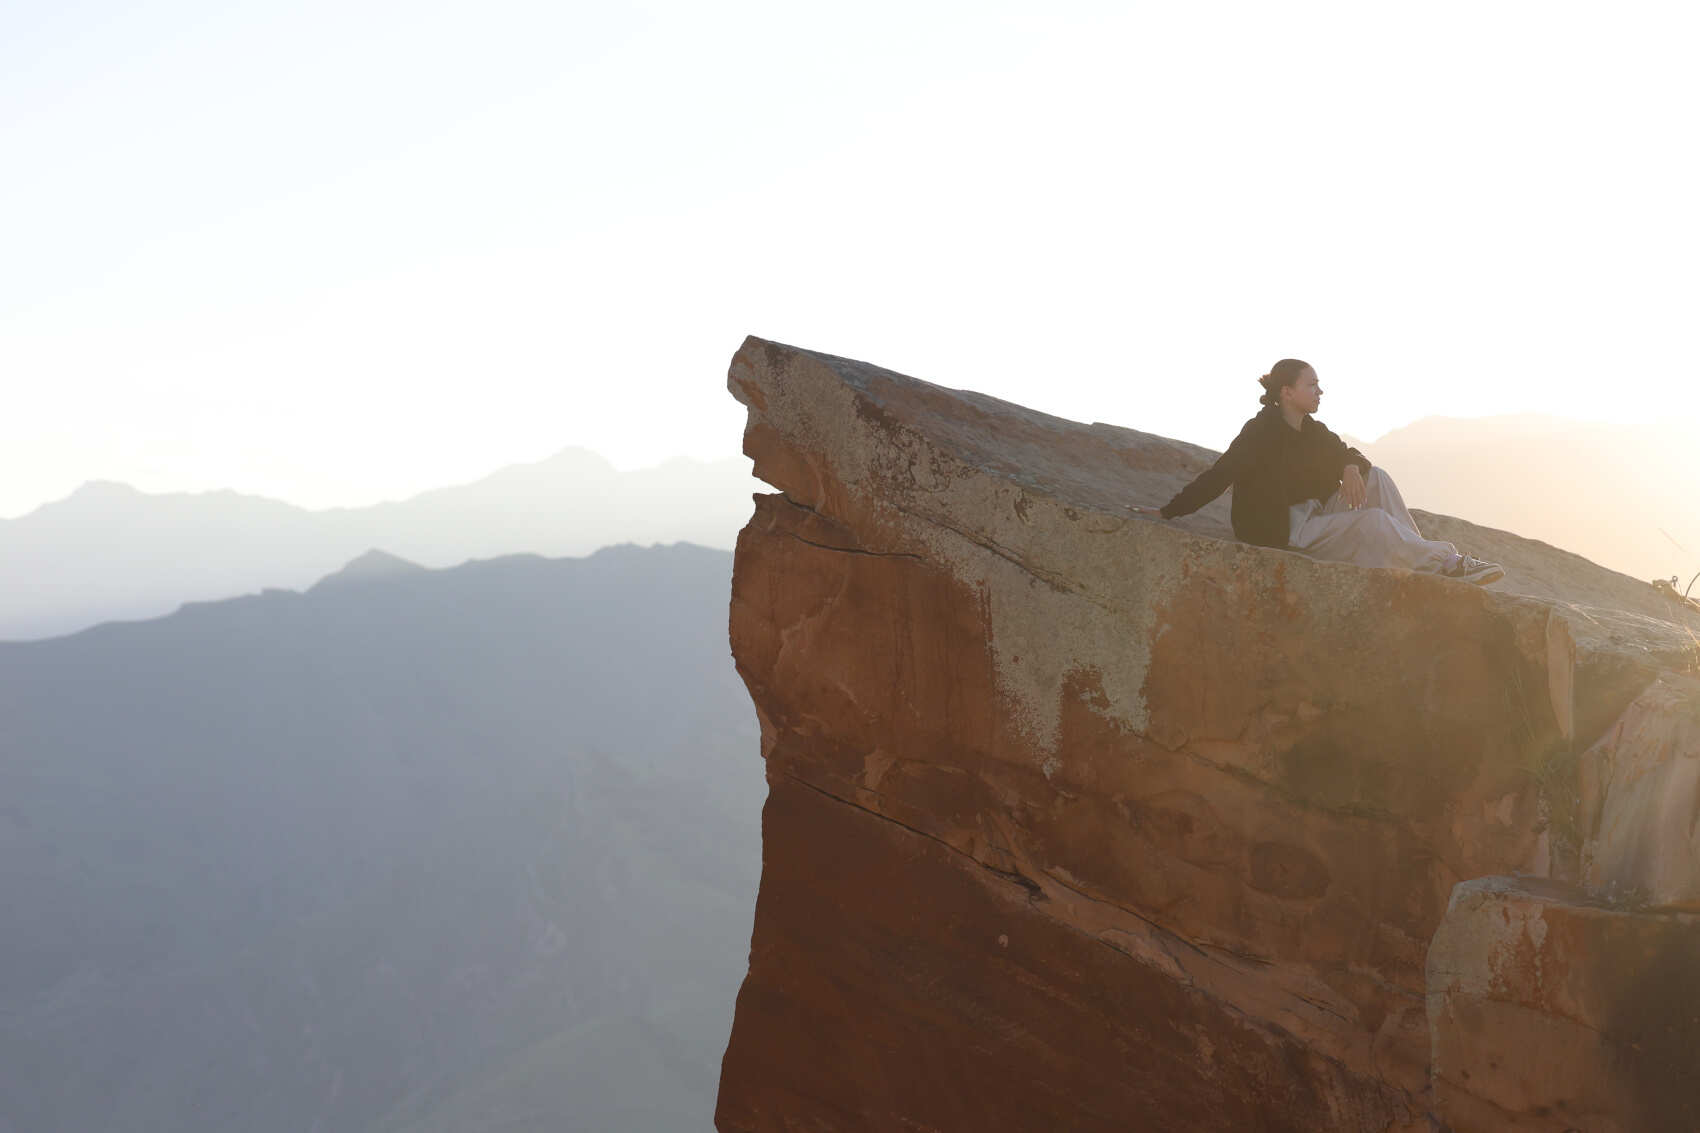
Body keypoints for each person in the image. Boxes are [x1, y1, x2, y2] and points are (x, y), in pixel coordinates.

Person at [1132, 359, 1504, 585]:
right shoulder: (1259, 432)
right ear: (1287, 392)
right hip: (1282, 529)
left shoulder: (1313, 431)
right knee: (1372, 522)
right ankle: (1445, 562)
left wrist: (1349, 467)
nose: (1320, 391)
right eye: (1311, 385)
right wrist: (1169, 511)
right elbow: (1219, 475)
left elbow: (1351, 454)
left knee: (1378, 478)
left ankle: (1431, 561)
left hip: (1313, 514)